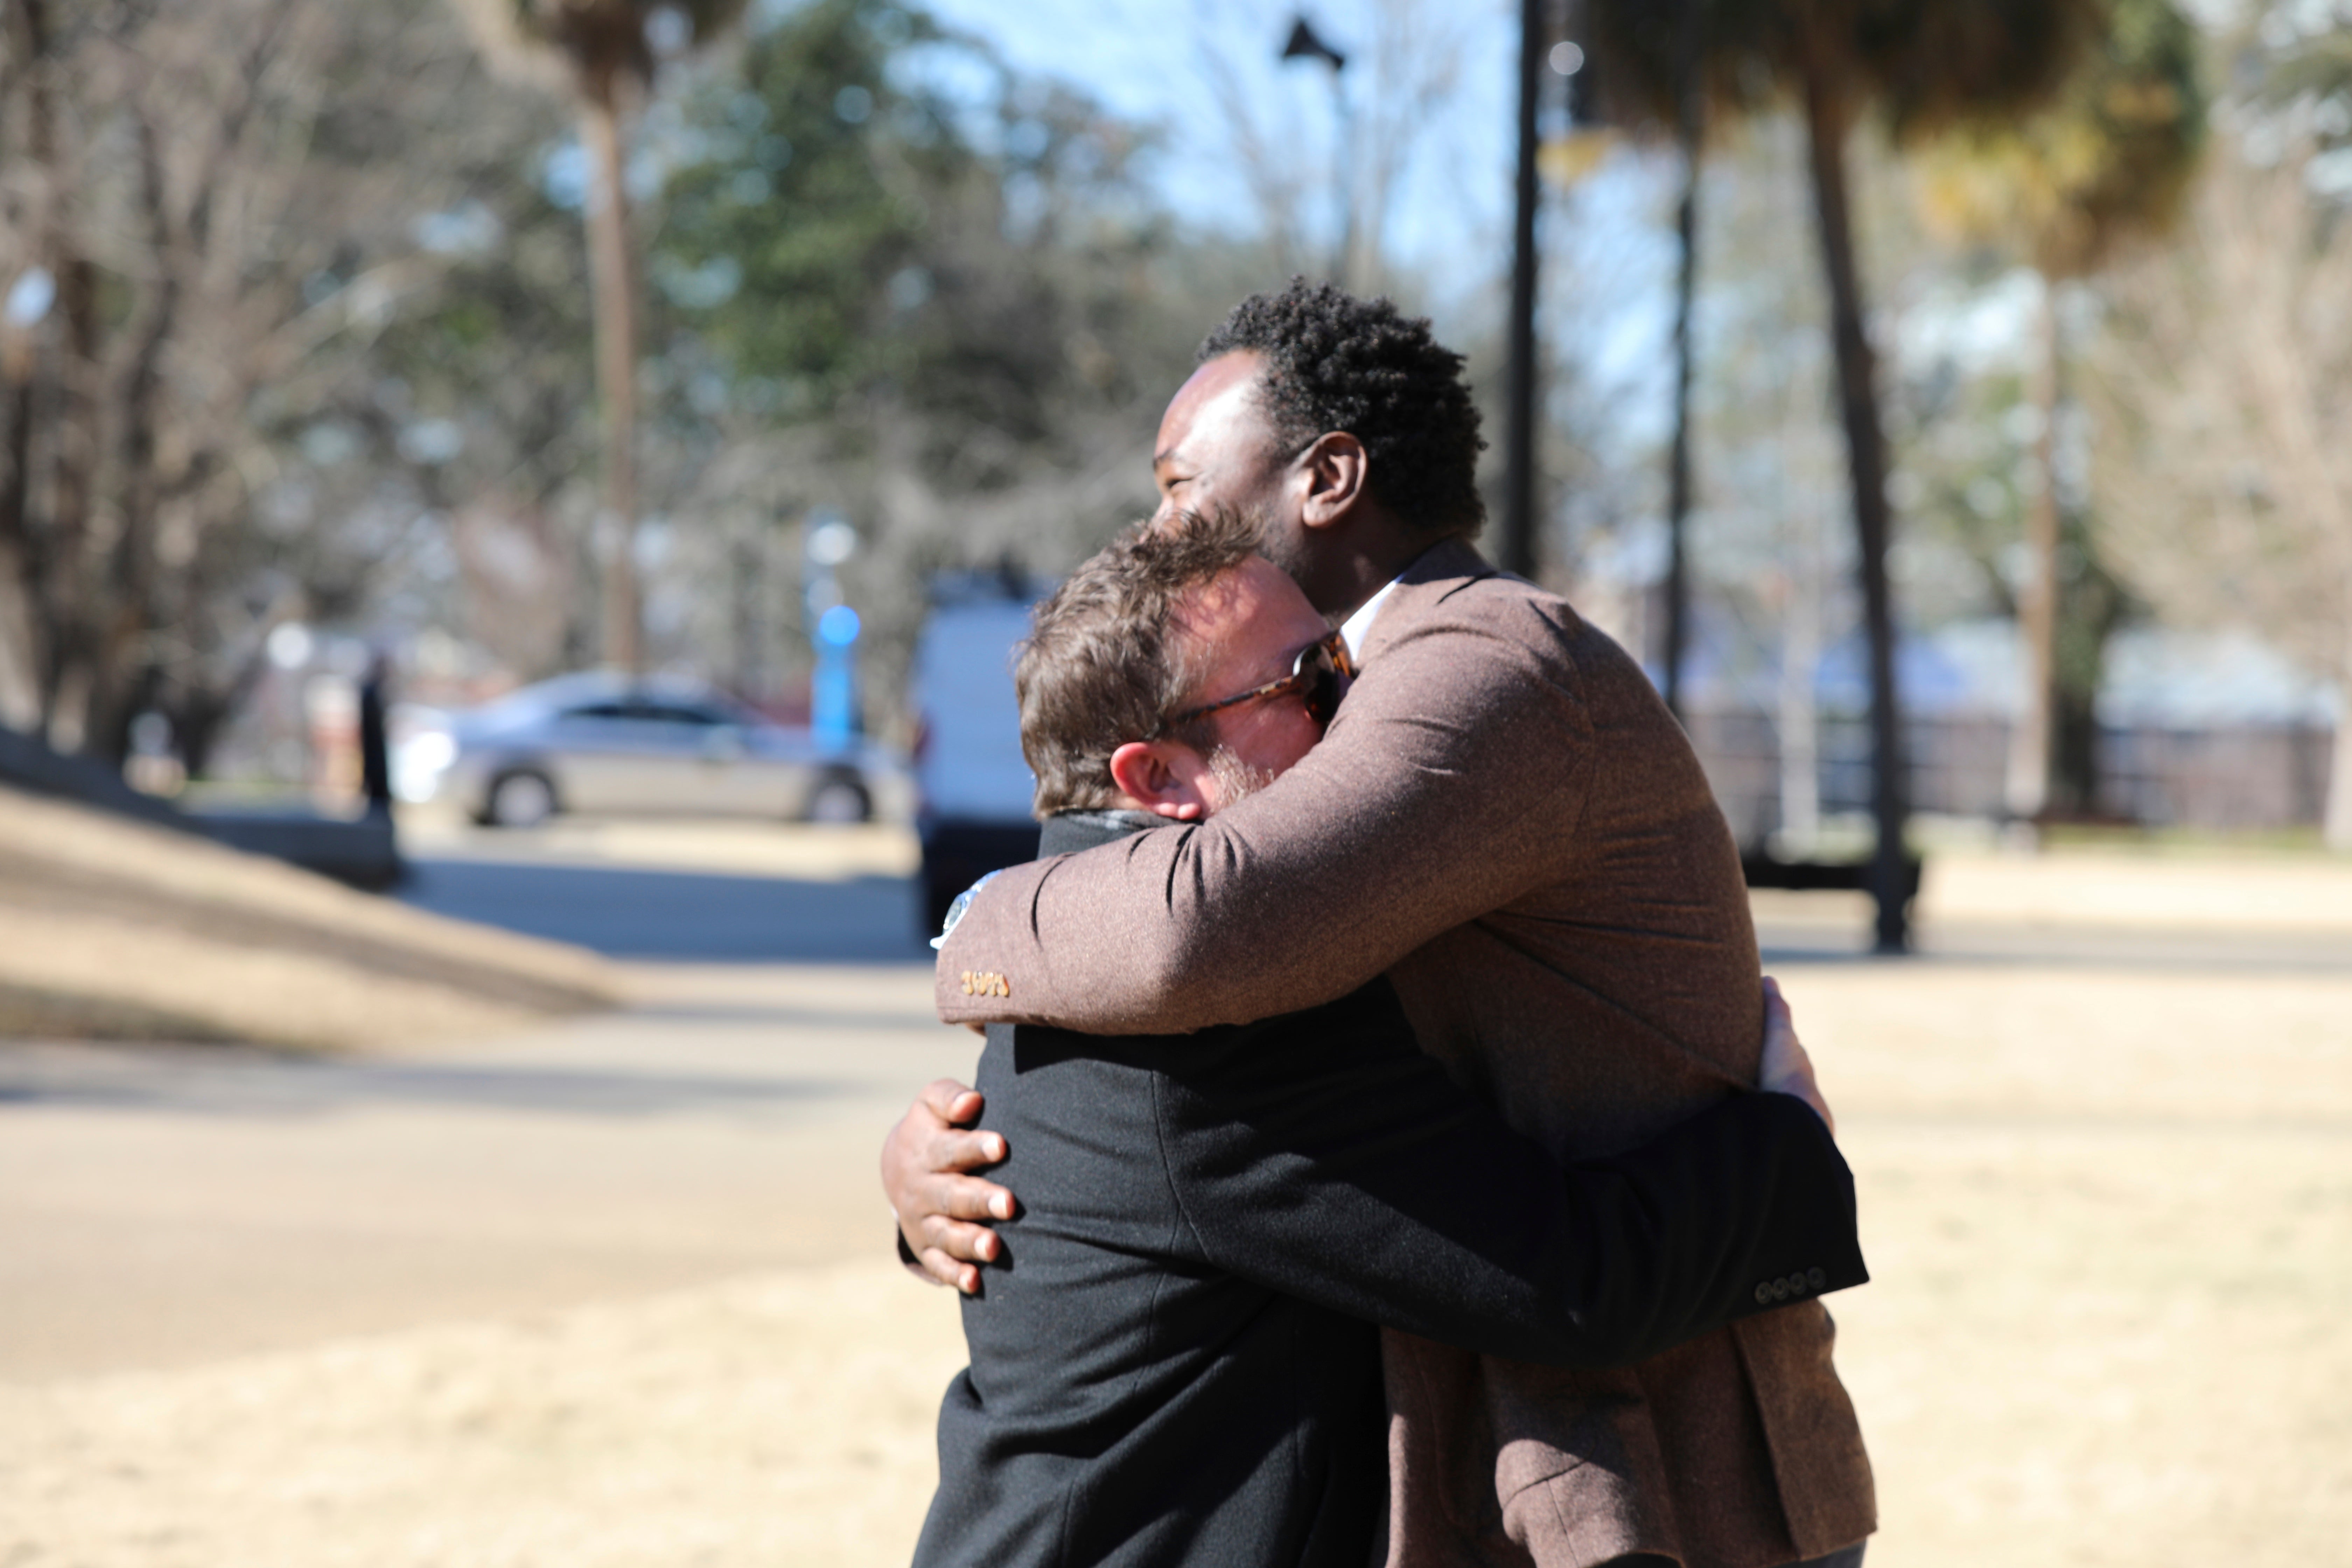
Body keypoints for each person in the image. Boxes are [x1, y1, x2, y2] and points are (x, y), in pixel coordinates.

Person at [895, 282, 1875, 1568]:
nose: (1157, 525)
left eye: (1182, 485)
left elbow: (1206, 924)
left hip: (1663, 1458)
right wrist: (972, 1168)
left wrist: (978, 921)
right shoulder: (1346, 680)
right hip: (1550, 1411)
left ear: (1329, 477)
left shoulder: (1479, 667)